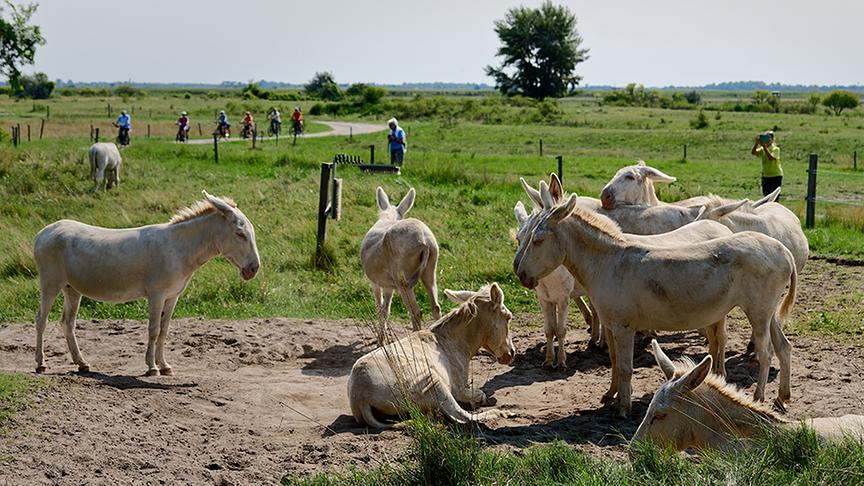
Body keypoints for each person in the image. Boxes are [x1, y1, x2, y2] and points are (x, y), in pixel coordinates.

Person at [751, 130, 782, 199]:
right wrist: (756, 143)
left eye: (769, 138)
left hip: (775, 175)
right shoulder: (762, 149)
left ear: (772, 139)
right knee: (766, 196)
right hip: (766, 175)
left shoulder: (775, 149)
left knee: (774, 197)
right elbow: (753, 153)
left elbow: (771, 158)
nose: (767, 140)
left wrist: (764, 147)